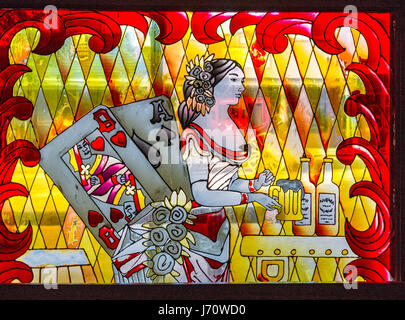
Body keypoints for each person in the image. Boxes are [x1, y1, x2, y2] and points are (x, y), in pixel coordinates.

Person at [177, 54, 280, 282]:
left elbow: (225, 183)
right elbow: (201, 194)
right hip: (193, 228)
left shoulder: (229, 128)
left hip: (219, 227)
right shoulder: (194, 135)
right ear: (212, 84)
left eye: (242, 81)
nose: (242, 87)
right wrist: (250, 197)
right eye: (234, 80)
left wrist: (255, 184)